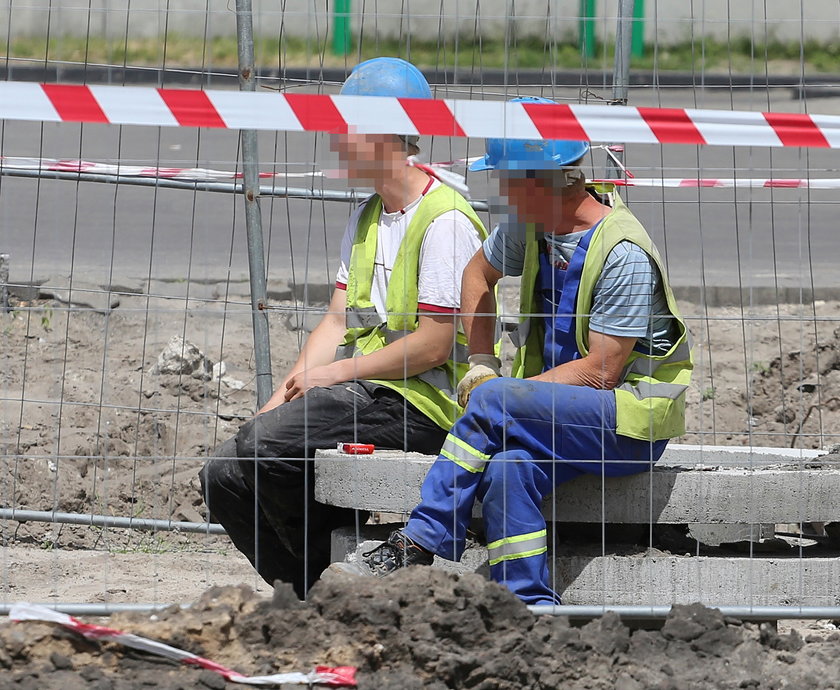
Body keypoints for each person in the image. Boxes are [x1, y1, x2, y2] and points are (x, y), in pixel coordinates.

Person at [353, 96, 693, 605]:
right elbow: (477, 275)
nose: (501, 194)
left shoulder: (622, 252)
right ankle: (528, 609)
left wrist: (504, 393)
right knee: (508, 469)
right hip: (557, 414)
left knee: (494, 403)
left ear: (543, 182)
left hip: (627, 425)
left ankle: (420, 541)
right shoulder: (531, 224)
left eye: (507, 181)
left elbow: (603, 370)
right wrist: (482, 363)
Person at [200, 57, 487, 598]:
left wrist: (333, 377)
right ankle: (311, 594)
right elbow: (336, 320)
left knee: (267, 448)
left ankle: (336, 593)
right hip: (367, 390)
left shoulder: (445, 220)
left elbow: (434, 344)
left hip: (421, 404)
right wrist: (274, 403)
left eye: (345, 126)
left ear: (381, 134)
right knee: (225, 475)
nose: (334, 139)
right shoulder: (367, 216)